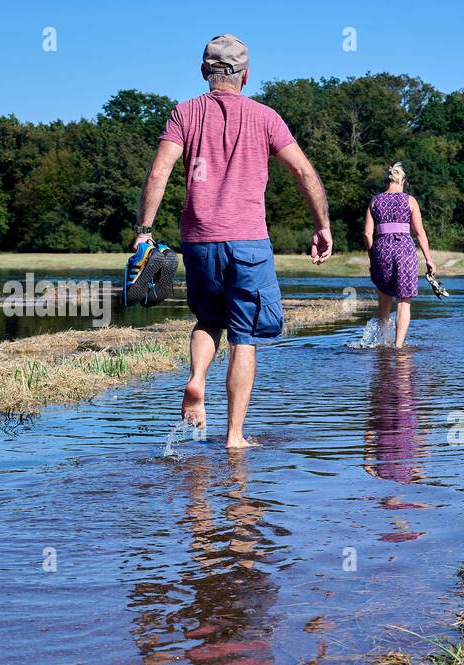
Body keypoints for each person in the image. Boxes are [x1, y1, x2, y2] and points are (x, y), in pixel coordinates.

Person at [133, 34, 332, 449]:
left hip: (199, 241)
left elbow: (158, 174)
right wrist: (322, 224)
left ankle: (196, 379)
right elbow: (304, 172)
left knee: (208, 320)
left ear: (204, 71)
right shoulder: (266, 117)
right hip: (249, 242)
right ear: (246, 75)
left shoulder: (183, 114)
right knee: (245, 338)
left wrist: (144, 231)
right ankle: (235, 436)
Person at [363, 162, 435, 348]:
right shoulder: (410, 201)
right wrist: (429, 260)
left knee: (384, 299)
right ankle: (398, 346)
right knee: (404, 300)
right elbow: (420, 233)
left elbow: (367, 234)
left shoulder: (375, 201)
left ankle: (382, 342)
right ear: (402, 181)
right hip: (404, 249)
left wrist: (373, 257)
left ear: (386, 181)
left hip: (381, 249)